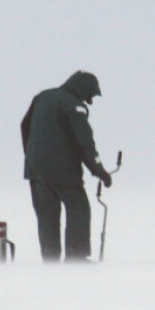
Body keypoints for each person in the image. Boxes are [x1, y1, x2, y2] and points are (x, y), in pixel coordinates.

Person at [21, 71, 113, 262]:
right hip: (63, 170)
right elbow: (84, 142)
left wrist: (32, 155)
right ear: (82, 89)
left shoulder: (42, 97)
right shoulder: (73, 106)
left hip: (35, 170)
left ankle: (50, 259)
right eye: (89, 96)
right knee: (79, 209)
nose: (89, 101)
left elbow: (24, 125)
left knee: (47, 215)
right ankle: (76, 258)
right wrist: (99, 170)